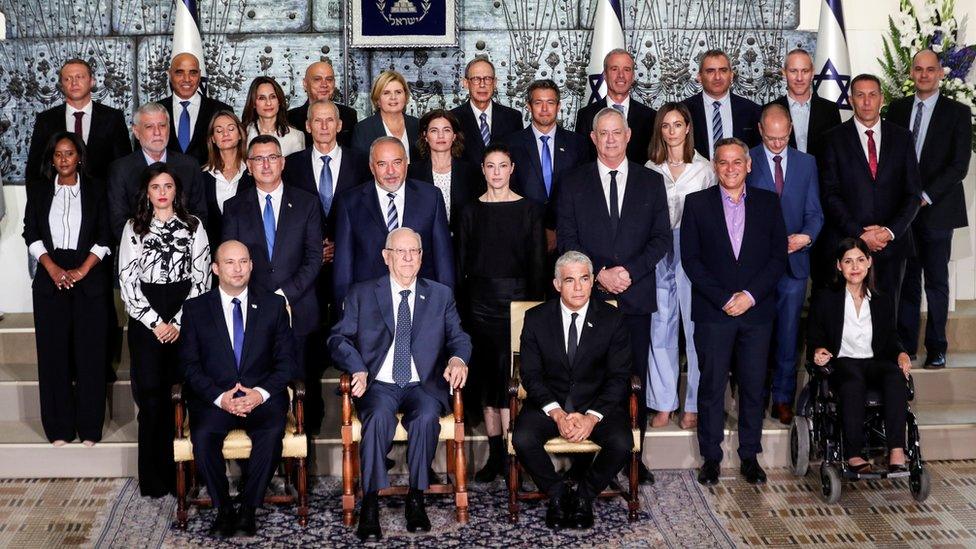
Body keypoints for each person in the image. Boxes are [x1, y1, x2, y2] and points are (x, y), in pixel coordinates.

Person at [328, 227, 472, 541]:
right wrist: (357, 368)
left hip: (423, 384)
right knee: (378, 417)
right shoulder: (362, 293)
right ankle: (370, 502)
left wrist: (458, 358)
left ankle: (416, 497)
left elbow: (458, 337)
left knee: (424, 418)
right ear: (386, 256)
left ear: (422, 257)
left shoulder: (440, 294)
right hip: (379, 383)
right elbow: (337, 338)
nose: (407, 258)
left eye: (414, 252)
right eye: (400, 252)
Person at [557, 107, 671, 483]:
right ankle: (582, 459)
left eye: (616, 132)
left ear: (628, 136)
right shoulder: (573, 182)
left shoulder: (650, 182)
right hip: (588, 297)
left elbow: (661, 240)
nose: (609, 139)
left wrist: (629, 272)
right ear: (592, 138)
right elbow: (568, 241)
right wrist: (600, 275)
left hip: (636, 297)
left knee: (632, 377)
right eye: (602, 133)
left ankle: (633, 455)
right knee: (586, 377)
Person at [681, 137, 787, 486]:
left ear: (749, 165)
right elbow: (691, 260)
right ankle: (710, 458)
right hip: (714, 313)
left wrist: (750, 296)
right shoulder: (696, 204)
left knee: (754, 386)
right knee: (711, 387)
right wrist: (725, 298)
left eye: (736, 162)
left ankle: (749, 456)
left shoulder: (770, 204)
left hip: (756, 314)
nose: (730, 168)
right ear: (715, 166)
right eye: (723, 162)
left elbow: (777, 258)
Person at [179, 240, 296, 537]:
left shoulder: (273, 305)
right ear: (216, 268)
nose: (238, 268)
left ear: (252, 265)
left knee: (271, 436)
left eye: (243, 261)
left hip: (262, 398)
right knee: (203, 437)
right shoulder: (195, 309)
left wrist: (259, 394)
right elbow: (190, 366)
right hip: (216, 399)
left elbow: (286, 364)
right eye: (230, 262)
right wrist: (220, 398)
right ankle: (224, 510)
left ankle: (247, 510)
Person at [512, 251, 633, 530]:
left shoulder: (613, 318)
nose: (578, 287)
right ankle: (557, 494)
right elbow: (530, 374)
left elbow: (618, 376)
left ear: (592, 282)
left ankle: (583, 497)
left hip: (597, 403)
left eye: (584, 279)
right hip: (550, 404)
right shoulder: (536, 318)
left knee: (622, 443)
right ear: (557, 284)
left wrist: (591, 417)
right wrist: (556, 414)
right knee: (523, 438)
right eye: (570, 280)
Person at [118, 163, 211, 497]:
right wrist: (158, 323)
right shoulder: (134, 228)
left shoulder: (194, 226)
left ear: (176, 191)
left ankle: (186, 476)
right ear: (147, 191)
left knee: (186, 396)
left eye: (168, 186)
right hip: (147, 322)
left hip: (186, 314)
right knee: (153, 401)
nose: (162, 192)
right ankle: (155, 479)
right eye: (155, 186)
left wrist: (179, 322)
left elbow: (202, 278)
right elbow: (127, 281)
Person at [457, 143, 546, 482]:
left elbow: (538, 265)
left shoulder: (530, 210)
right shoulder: (469, 211)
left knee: (512, 380)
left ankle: (515, 452)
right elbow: (462, 264)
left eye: (502, 165)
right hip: (479, 306)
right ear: (483, 170)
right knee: (487, 384)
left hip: (519, 306)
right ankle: (495, 454)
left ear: (512, 169)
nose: (496, 172)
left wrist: (535, 310)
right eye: (490, 166)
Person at [282, 99, 368, 432]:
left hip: (352, 265)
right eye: (316, 121)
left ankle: (363, 419)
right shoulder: (292, 164)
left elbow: (367, 210)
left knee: (357, 341)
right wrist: (315, 248)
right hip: (306, 270)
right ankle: (312, 422)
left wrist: (340, 245)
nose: (323, 126)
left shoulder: (361, 162)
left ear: (339, 125)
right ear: (307, 126)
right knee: (309, 346)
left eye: (329, 120)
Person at [23, 132, 113, 446]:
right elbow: (30, 233)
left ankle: (89, 428)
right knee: (53, 356)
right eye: (58, 154)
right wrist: (53, 269)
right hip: (50, 277)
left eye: (70, 153)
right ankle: (58, 428)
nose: (64, 159)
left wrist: (81, 270)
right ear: (52, 159)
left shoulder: (97, 189)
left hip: (88, 274)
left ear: (79, 158)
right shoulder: (38, 190)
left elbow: (105, 237)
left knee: (91, 355)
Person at [890, 49, 972, 369]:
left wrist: (924, 195)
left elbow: (958, 166)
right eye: (918, 69)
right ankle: (906, 346)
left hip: (937, 210)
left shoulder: (958, 113)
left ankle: (937, 346)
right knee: (907, 281)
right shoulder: (896, 110)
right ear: (911, 73)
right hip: (903, 214)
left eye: (930, 70)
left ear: (941, 73)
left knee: (936, 281)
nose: (924, 75)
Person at [746, 103, 823, 425]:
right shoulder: (746, 158)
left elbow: (815, 212)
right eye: (771, 137)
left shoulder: (807, 164)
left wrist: (806, 237)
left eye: (782, 137)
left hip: (794, 265)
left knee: (789, 336)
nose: (777, 143)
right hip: (757, 266)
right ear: (762, 130)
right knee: (756, 336)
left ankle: (782, 399)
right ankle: (754, 395)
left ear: (790, 130)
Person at [807, 237, 912, 473]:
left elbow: (891, 336)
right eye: (848, 261)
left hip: (873, 361)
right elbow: (814, 336)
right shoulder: (826, 298)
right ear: (839, 266)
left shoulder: (882, 299)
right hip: (843, 362)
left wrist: (902, 354)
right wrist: (818, 351)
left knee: (895, 376)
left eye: (860, 260)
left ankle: (896, 449)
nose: (855, 267)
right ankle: (854, 453)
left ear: (869, 262)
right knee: (853, 382)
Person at [222, 135, 322, 381]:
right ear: (249, 165)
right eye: (259, 159)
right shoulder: (233, 206)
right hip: (251, 309)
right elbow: (229, 259)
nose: (266, 165)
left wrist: (284, 294)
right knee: (260, 385)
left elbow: (314, 256)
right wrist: (258, 297)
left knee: (304, 389)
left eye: (272, 158)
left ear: (283, 162)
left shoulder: (306, 202)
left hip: (298, 307)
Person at [819, 74, 921, 314]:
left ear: (881, 99)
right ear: (851, 99)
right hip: (848, 243)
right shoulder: (832, 139)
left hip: (892, 244)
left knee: (889, 312)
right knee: (850, 314)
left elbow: (913, 193)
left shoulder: (903, 137)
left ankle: (890, 353)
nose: (866, 101)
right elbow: (830, 194)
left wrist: (888, 232)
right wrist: (860, 235)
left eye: (872, 95)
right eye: (860, 95)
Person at [644, 102, 715, 430]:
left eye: (677, 124)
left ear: (688, 128)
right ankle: (663, 403)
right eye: (666, 125)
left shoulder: (704, 169)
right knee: (660, 327)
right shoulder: (649, 169)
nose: (672, 131)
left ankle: (694, 404)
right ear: (660, 131)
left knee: (695, 329)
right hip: (658, 253)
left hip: (695, 253)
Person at [332, 137, 455, 308]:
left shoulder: (431, 197)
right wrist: (344, 308)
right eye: (382, 164)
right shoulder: (350, 202)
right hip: (369, 305)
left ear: (406, 163)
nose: (391, 171)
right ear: (371, 167)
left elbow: (443, 258)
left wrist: (446, 306)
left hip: (422, 304)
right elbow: (343, 264)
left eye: (397, 162)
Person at [507, 79, 589, 250]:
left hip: (568, 236)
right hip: (524, 235)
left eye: (550, 103)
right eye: (538, 103)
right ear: (528, 106)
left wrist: (557, 229)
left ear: (558, 106)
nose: (544, 109)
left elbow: (583, 192)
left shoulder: (578, 144)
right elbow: (509, 191)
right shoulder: (511, 144)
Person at [107, 102, 207, 240]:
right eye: (149, 127)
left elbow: (199, 215)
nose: (157, 132)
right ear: (136, 132)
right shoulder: (121, 169)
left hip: (183, 249)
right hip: (138, 252)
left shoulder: (190, 166)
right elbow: (119, 222)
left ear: (169, 128)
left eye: (162, 125)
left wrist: (176, 243)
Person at [26, 58, 131, 183]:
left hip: (102, 199)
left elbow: (124, 167)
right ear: (61, 85)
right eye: (67, 79)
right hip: (58, 197)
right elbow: (35, 168)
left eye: (79, 77)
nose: (74, 83)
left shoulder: (113, 118)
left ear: (92, 81)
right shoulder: (46, 120)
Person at [574, 49, 657, 165]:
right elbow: (582, 160)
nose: (621, 75)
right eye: (614, 69)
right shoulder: (586, 115)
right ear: (605, 75)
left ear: (633, 76)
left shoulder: (650, 116)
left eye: (626, 70)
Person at [407, 109, 483, 233]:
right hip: (425, 243)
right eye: (434, 131)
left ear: (454, 136)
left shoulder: (471, 172)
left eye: (446, 130)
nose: (440, 136)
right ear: (425, 136)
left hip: (464, 243)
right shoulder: (412, 173)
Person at [682, 49, 762, 159]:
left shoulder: (752, 111)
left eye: (723, 70)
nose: (717, 77)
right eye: (710, 71)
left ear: (731, 75)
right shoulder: (684, 111)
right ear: (699, 76)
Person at [160, 53, 233, 166]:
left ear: (199, 75)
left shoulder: (220, 110)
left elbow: (232, 155)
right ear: (170, 74)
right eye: (179, 72)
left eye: (193, 73)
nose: (187, 79)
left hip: (208, 182)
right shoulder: (155, 111)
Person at [767, 48, 842, 157]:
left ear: (812, 73)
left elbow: (837, 153)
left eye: (805, 71)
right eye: (793, 71)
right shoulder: (768, 111)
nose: (799, 78)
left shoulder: (830, 110)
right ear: (784, 73)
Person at [450, 57, 524, 166]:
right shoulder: (452, 118)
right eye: (476, 79)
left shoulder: (512, 117)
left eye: (487, 78)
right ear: (466, 83)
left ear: (495, 83)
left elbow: (518, 158)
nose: (482, 84)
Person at [200, 110, 253, 251]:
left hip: (251, 253)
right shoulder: (202, 177)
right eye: (219, 130)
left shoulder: (253, 173)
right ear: (212, 138)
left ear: (240, 134)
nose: (225, 134)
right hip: (213, 254)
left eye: (231, 128)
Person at [351, 71, 420, 162]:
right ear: (377, 100)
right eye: (386, 93)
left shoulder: (418, 125)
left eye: (398, 92)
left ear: (406, 96)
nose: (393, 97)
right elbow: (358, 167)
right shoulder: (363, 129)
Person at [287, 60, 359, 148]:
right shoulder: (290, 118)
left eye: (329, 79)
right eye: (317, 79)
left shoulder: (349, 115)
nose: (324, 84)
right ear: (305, 84)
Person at [241, 76, 305, 157]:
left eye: (273, 97)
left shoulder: (295, 137)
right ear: (253, 103)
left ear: (279, 101)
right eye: (262, 98)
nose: (268, 103)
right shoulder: (243, 134)